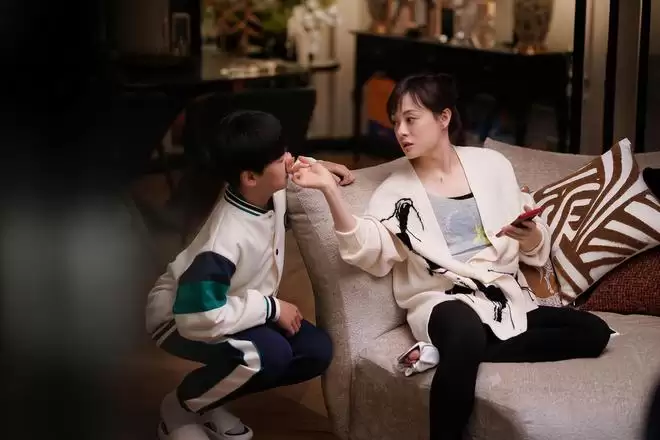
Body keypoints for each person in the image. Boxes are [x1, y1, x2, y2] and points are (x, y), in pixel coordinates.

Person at [289, 73, 612, 440]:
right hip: (441, 301)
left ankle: (458, 352)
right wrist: (330, 192)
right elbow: (369, 250)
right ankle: (458, 358)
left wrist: (531, 235)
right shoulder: (396, 191)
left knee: (594, 332)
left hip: (501, 297)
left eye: (411, 119)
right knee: (464, 332)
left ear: (443, 117)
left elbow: (534, 243)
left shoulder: (492, 166)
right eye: (396, 122)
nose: (401, 131)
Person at [145, 110, 354, 440]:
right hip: (181, 316)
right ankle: (181, 407)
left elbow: (291, 165)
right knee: (268, 356)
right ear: (250, 178)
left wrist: (321, 167)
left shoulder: (267, 190)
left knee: (316, 351)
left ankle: (210, 400)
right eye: (280, 158)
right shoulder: (224, 240)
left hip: (233, 305)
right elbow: (197, 316)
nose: (289, 159)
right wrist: (272, 308)